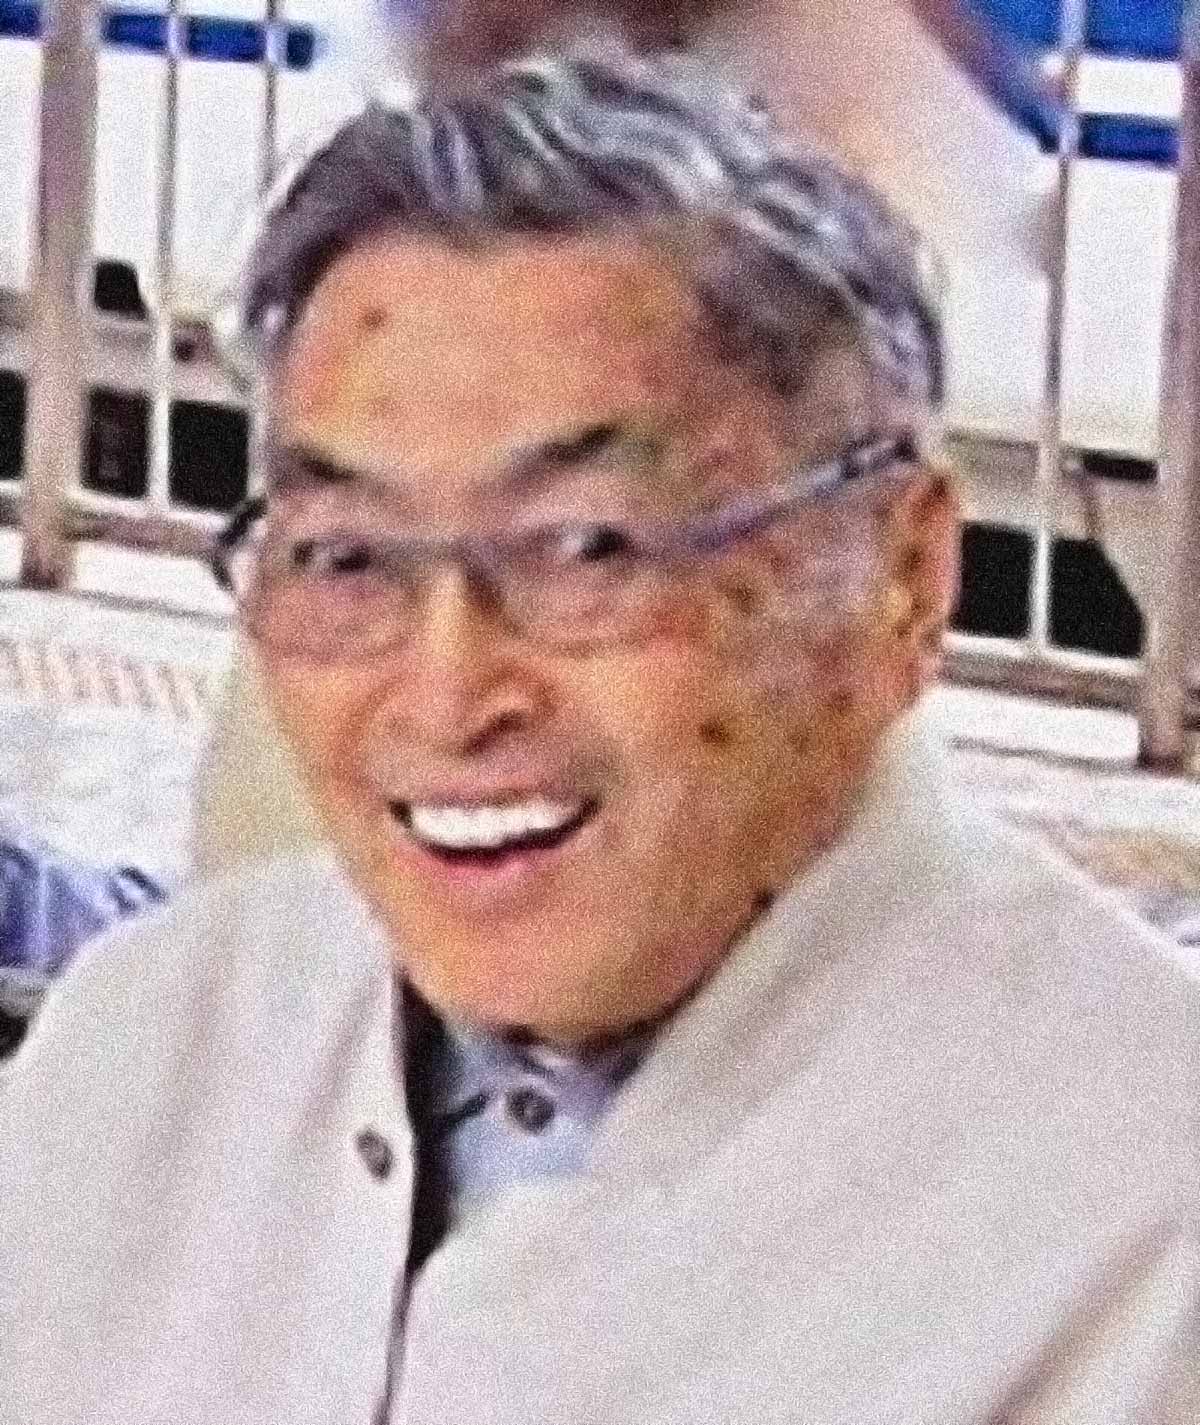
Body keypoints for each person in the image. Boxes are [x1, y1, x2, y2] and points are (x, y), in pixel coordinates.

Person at [3, 46, 1197, 1424]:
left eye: (588, 549)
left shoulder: (1146, 1210)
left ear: (904, 575)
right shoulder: (152, 1035)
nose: (447, 693)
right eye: (347, 556)